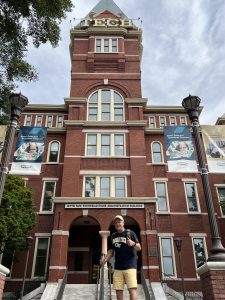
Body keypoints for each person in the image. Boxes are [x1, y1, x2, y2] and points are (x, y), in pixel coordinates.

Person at [101, 215, 141, 300]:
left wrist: (133, 243)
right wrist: (105, 260)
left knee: (132, 290)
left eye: (119, 222)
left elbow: (139, 247)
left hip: (130, 266)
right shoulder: (113, 236)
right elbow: (111, 251)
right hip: (118, 267)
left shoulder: (130, 233)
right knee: (118, 291)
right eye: (115, 222)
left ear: (123, 223)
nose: (117, 224)